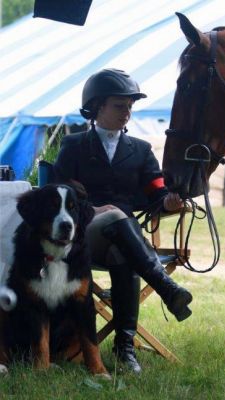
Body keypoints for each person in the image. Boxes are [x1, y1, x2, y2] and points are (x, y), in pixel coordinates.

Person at [54, 68, 192, 374]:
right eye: (119, 105)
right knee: (116, 214)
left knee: (124, 255)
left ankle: (124, 347)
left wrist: (168, 201)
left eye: (130, 106)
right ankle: (165, 287)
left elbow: (156, 192)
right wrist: (92, 209)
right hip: (82, 234)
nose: (126, 112)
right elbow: (58, 192)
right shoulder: (74, 145)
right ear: (98, 106)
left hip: (121, 242)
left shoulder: (142, 151)